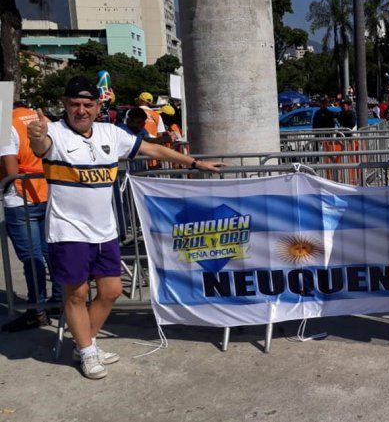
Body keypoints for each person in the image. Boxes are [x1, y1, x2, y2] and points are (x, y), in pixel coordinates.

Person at [26, 76, 224, 379]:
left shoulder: (110, 133)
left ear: (97, 106)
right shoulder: (54, 132)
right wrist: (37, 135)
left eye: (88, 104)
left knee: (111, 291)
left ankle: (84, 344)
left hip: (105, 231)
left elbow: (152, 151)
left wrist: (195, 164)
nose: (81, 110)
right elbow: (42, 146)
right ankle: (88, 352)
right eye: (75, 104)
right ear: (65, 105)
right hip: (68, 232)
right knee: (77, 295)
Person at [0, 103, 62, 332]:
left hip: (20, 198)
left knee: (32, 259)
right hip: (48, 193)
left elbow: (10, 169)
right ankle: (60, 301)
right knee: (52, 252)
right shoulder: (42, 120)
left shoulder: (5, 125)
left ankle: (37, 311)